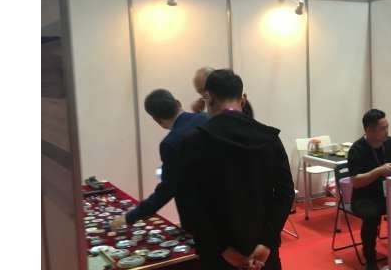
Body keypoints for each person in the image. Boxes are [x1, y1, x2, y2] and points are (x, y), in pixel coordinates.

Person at [177, 69, 295, 269]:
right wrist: (267, 241)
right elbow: (285, 193)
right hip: (262, 253)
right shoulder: (270, 138)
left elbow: (189, 206)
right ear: (243, 99)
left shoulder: (193, 142)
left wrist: (223, 249)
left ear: (209, 98)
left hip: (217, 254)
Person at [110, 89, 208, 229]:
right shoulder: (206, 117)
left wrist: (130, 217)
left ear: (156, 120)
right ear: (178, 103)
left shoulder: (170, 143)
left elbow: (167, 189)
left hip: (197, 214)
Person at [347, 109, 391, 270]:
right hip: (365, 197)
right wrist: (379, 171)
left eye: (387, 127)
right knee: (372, 216)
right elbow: (356, 182)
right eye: (382, 128)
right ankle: (370, 258)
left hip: (390, 193)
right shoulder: (357, 149)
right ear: (369, 130)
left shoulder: (390, 143)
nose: (387, 131)